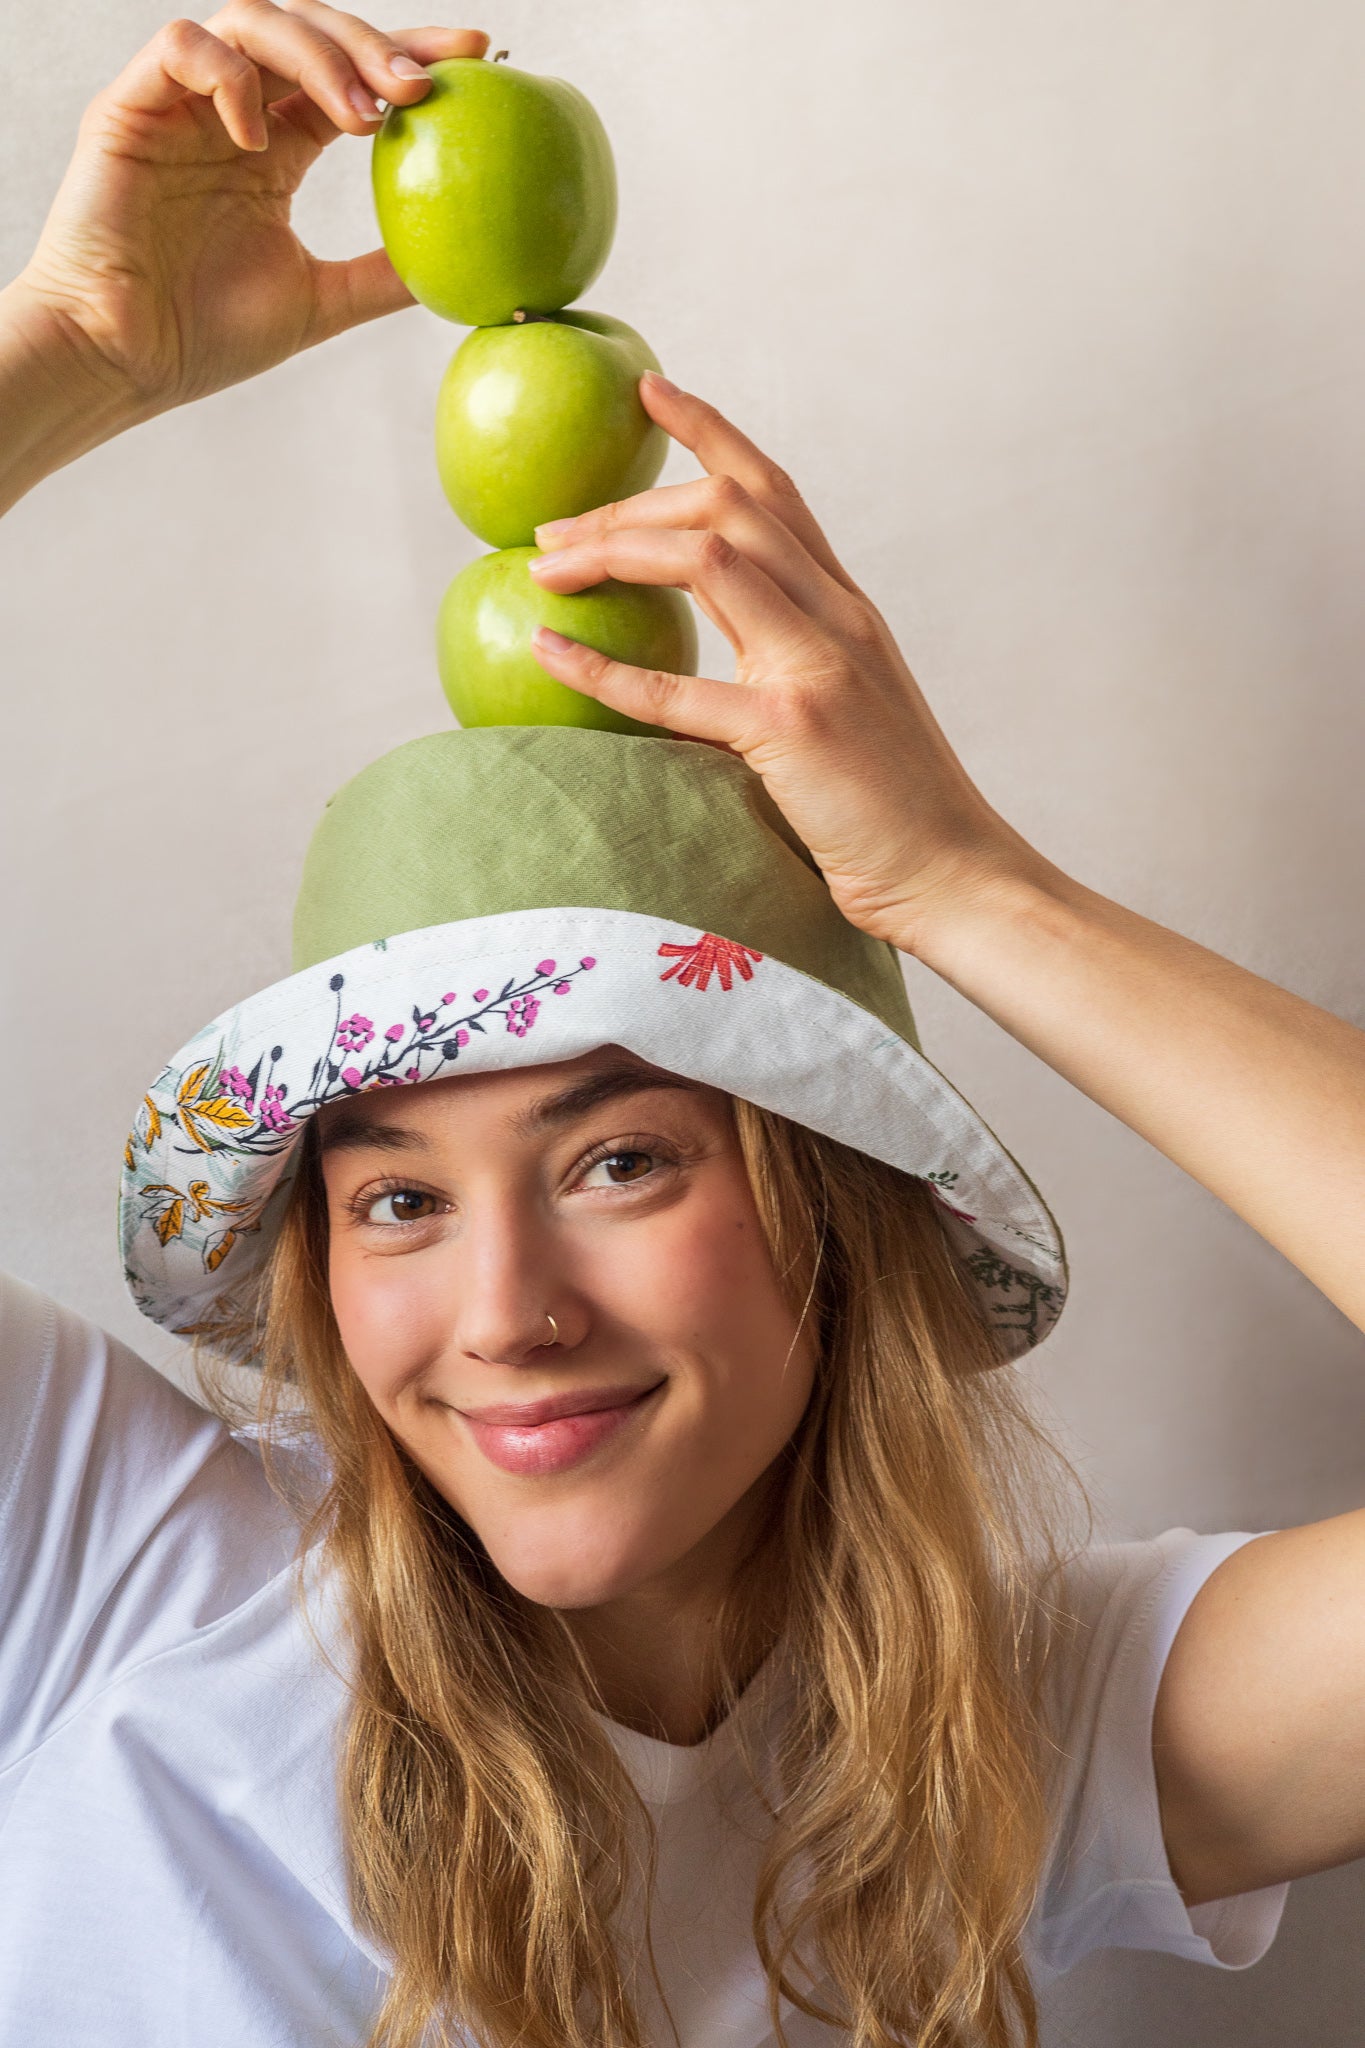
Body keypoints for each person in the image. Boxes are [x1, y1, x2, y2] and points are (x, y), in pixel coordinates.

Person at [2, 8, 1364, 2047]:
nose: (503, 1311)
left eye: (616, 1157)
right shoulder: (102, 1549)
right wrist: (72, 361)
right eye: (392, 1203)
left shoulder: (1007, 1728)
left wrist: (968, 882)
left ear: (822, 1195)